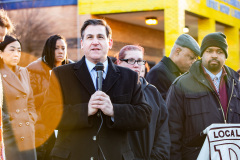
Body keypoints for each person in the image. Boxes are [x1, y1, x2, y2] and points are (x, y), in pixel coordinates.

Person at [41, 19, 151, 160]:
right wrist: (85, 110)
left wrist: (114, 110)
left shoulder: (129, 77)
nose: (95, 42)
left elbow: (144, 115)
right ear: (82, 43)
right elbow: (48, 115)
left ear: (109, 43)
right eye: (89, 37)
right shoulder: (61, 74)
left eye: (100, 37)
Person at [166, 32, 240, 160]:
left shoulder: (236, 84)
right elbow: (172, 131)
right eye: (209, 51)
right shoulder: (181, 85)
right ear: (202, 54)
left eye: (220, 51)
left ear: (225, 55)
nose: (214, 55)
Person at [117, 45, 170, 159]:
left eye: (140, 61)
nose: (136, 65)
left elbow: (163, 132)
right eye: (131, 60)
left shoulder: (153, 92)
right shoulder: (113, 92)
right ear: (119, 63)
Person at [27, 34, 74, 160]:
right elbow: (29, 102)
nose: (60, 51)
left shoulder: (72, 70)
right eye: (56, 48)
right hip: (42, 130)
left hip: (66, 127)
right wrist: (51, 92)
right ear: (49, 49)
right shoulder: (33, 71)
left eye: (63, 48)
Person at [0, 35, 37, 160]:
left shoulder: (24, 71)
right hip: (9, 136)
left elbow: (30, 100)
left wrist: (31, 118)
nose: (16, 53)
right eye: (12, 50)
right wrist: (9, 125)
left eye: (19, 50)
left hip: (27, 133)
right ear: (1, 53)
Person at [146, 34, 200, 100]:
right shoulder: (158, 72)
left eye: (195, 59)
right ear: (178, 51)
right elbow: (162, 107)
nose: (193, 62)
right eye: (191, 58)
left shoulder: (178, 73)